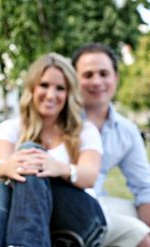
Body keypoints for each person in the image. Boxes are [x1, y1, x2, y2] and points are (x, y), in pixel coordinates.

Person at [0, 53, 107, 247]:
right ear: (32, 88)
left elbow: (90, 175)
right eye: (44, 85)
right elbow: (0, 166)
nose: (51, 95)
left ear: (69, 93)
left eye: (60, 88)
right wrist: (5, 168)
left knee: (29, 152)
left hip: (81, 221)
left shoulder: (85, 130)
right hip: (36, 227)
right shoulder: (9, 128)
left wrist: (57, 167)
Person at [72, 43, 150, 247]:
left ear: (115, 78)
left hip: (100, 204)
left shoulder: (126, 130)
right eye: (88, 75)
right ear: (74, 80)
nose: (97, 81)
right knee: (139, 234)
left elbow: (144, 187)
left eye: (103, 73)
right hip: (66, 208)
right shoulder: (60, 121)